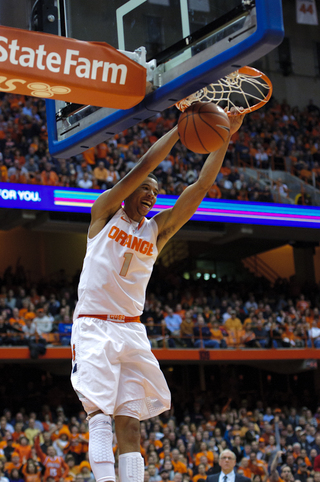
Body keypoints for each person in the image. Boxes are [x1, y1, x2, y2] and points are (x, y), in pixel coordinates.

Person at [70, 110, 244, 482]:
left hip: (131, 331)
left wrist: (223, 136)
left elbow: (198, 187)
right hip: (94, 327)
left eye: (155, 191)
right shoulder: (103, 215)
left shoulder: (157, 232)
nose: (151, 194)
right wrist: (180, 131)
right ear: (128, 191)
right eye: (145, 188)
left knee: (130, 426)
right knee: (99, 418)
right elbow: (145, 163)